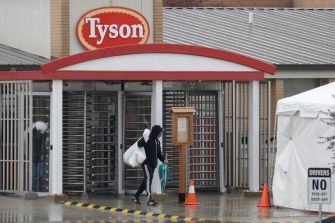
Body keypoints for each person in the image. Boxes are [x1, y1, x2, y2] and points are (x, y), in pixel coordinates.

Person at [132, 125, 165, 206]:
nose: (161, 134)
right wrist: (144, 138)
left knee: (146, 181)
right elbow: (139, 144)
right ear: (156, 133)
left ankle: (135, 196)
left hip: (153, 164)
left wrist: (163, 159)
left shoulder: (157, 142)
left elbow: (159, 154)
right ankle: (149, 199)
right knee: (149, 180)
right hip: (146, 164)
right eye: (160, 132)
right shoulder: (147, 140)